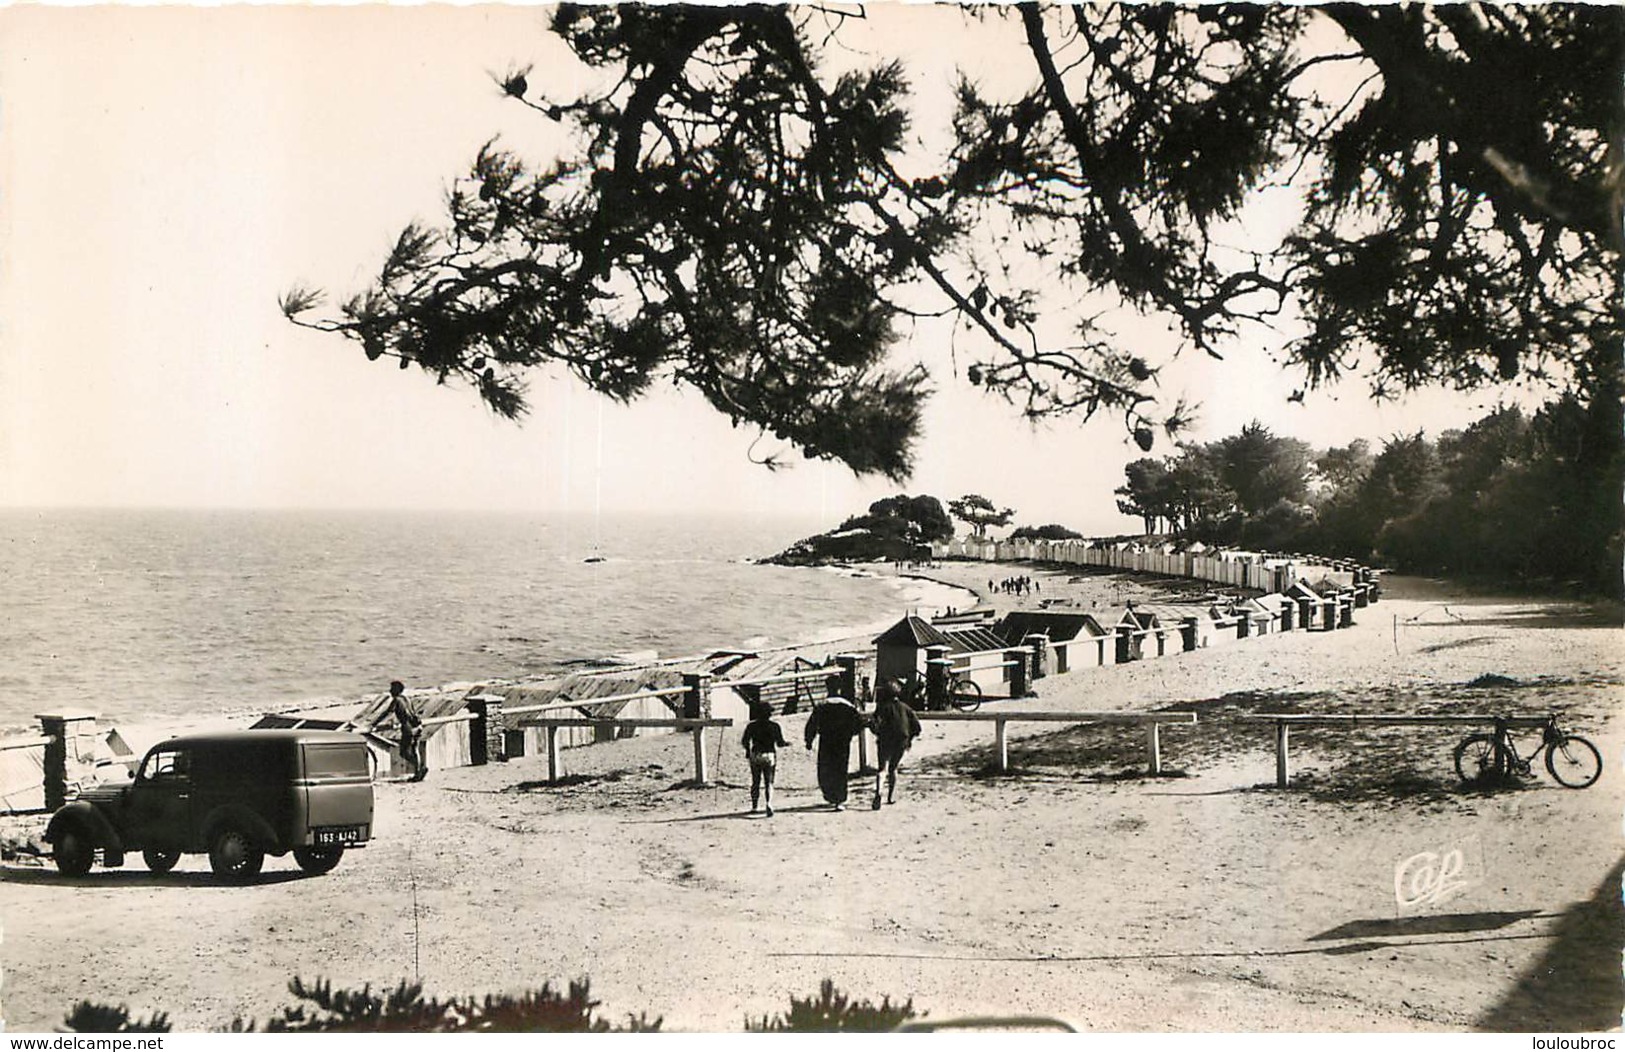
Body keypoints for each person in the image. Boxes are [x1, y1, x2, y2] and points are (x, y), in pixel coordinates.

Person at [803, 688, 866, 811]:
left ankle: (831, 795)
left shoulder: (822, 706)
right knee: (840, 769)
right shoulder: (848, 706)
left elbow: (812, 724)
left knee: (826, 769)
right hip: (842, 742)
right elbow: (859, 723)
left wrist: (809, 740)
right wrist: (850, 734)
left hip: (826, 742)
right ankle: (840, 799)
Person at [869, 677, 922, 809]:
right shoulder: (906, 708)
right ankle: (890, 796)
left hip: (885, 739)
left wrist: (877, 733)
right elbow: (917, 727)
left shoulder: (882, 708)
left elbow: (873, 723)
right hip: (901, 740)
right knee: (893, 768)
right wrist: (909, 739)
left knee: (882, 769)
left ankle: (879, 792)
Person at [740, 701, 789, 817]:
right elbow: (780, 743)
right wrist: (787, 744)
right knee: (769, 781)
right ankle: (768, 803)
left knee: (755, 781)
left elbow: (745, 741)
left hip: (756, 754)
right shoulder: (775, 726)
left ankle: (754, 806)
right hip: (769, 755)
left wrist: (747, 751)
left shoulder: (751, 726)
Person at [385, 680, 425, 782]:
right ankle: (418, 771)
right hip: (417, 726)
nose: (390, 691)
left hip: (408, 728)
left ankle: (420, 768)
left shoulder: (396, 700)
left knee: (404, 752)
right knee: (415, 750)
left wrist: (375, 723)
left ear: (396, 690)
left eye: (392, 689)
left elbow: (388, 713)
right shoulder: (407, 699)